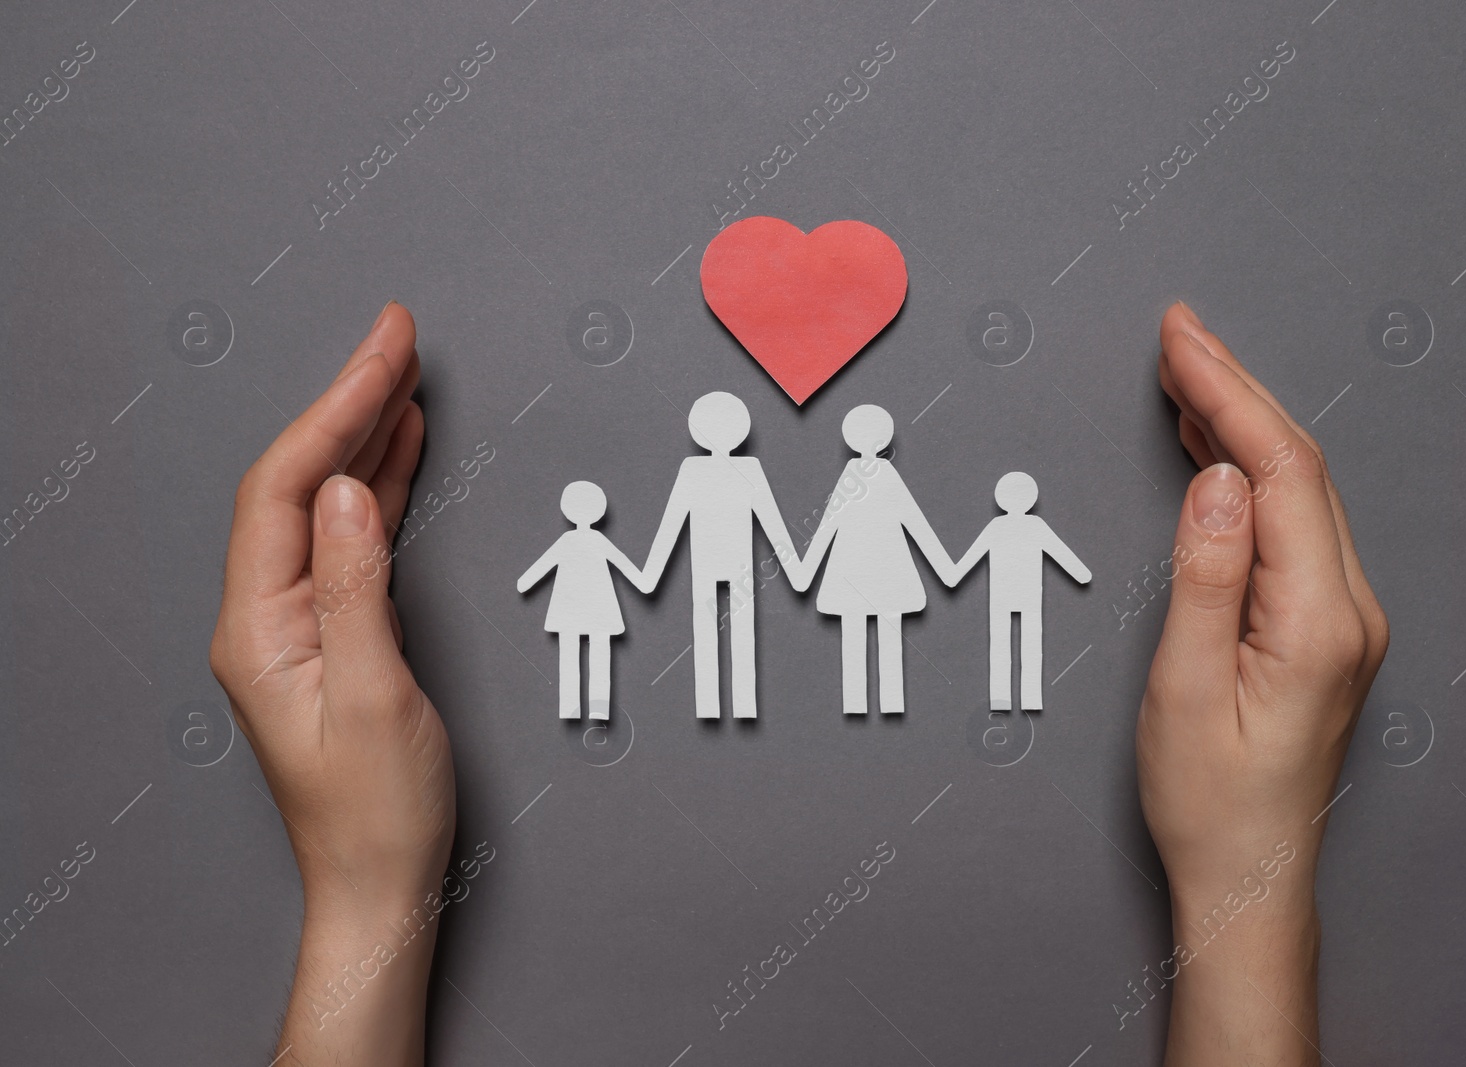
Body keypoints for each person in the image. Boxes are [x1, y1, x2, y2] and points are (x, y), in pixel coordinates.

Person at [208, 300, 1388, 1065]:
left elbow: (823, 527)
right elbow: (694, 532)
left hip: (832, 574)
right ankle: (743, 675)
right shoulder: (730, 486)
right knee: (717, 647)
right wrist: (1251, 889)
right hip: (718, 585)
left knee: (800, 641)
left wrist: (366, 894)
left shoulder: (827, 485)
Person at [639, 390, 802, 719]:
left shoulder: (696, 470)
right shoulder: (745, 469)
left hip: (714, 564)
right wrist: (796, 571)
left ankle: (716, 705)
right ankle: (738, 705)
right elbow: (772, 524)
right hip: (735, 564)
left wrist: (650, 574)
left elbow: (672, 524)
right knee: (739, 630)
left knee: (707, 631)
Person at [792, 403, 958, 715]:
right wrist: (946, 568)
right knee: (887, 633)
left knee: (858, 635)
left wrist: (804, 570)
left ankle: (861, 702)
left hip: (854, 573)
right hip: (886, 573)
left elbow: (830, 523)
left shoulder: (856, 476)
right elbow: (913, 522)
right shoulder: (879, 474)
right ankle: (885, 701)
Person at [947, 471, 1092, 711]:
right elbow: (1061, 553)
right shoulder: (1034, 525)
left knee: (1001, 647)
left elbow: (969, 559)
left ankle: (1002, 699)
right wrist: (1081, 573)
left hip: (1003, 597)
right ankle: (1030, 698)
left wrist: (953, 574)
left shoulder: (998, 526)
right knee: (1031, 646)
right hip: (1027, 596)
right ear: (1031, 498)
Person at [515, 480, 649, 720]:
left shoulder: (570, 540)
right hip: (599, 608)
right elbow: (625, 566)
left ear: (568, 509)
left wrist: (526, 581)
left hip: (570, 609)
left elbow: (543, 565)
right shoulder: (597, 540)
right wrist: (643, 581)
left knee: (570, 656)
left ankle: (572, 708)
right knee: (600, 655)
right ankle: (597, 708)